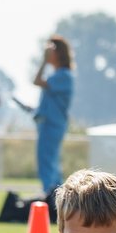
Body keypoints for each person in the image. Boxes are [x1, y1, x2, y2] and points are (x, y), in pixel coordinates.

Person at [30, 35, 75, 200]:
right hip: (49, 122)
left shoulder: (63, 75)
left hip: (53, 124)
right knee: (49, 161)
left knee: (47, 162)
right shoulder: (58, 75)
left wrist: (43, 61)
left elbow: (36, 80)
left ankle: (52, 198)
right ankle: (55, 197)